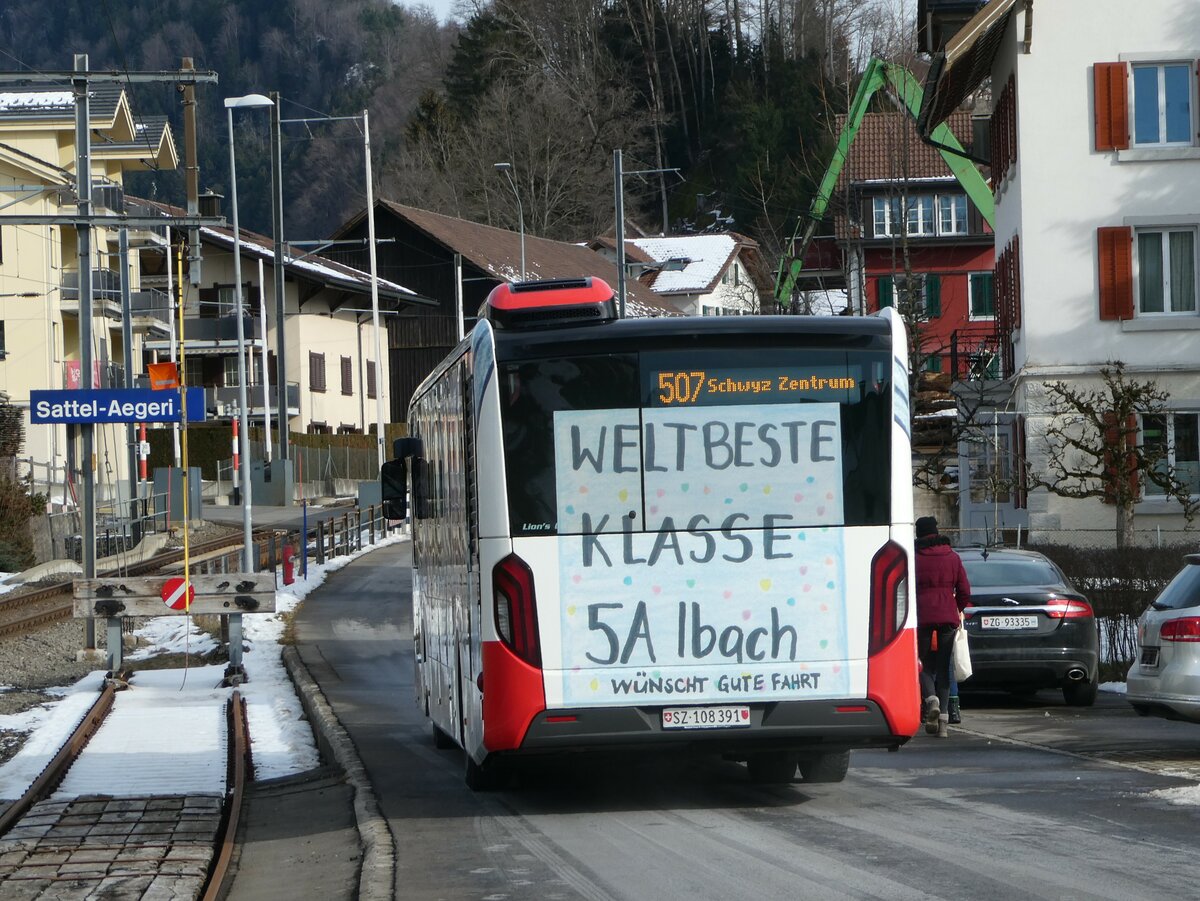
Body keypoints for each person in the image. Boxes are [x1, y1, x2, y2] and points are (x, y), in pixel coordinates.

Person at [914, 516, 970, 738]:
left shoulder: (915, 558)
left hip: (923, 617)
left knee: (924, 665)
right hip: (948, 617)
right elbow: (964, 590)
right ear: (936, 532)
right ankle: (944, 723)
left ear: (919, 534)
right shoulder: (952, 557)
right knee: (945, 666)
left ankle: (931, 700)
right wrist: (956, 608)